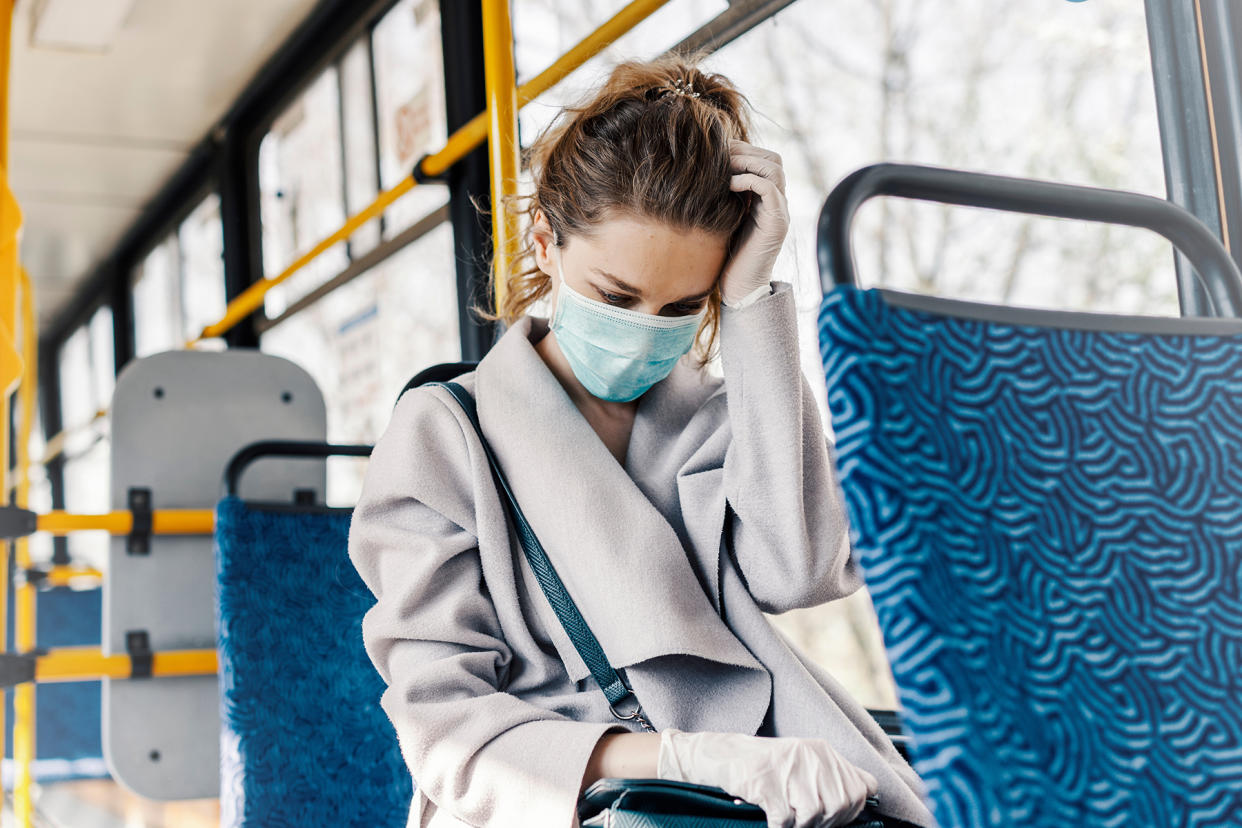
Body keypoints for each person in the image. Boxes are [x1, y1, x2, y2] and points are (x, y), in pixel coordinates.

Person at [347, 52, 934, 828]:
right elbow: (448, 734)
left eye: (681, 308)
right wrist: (689, 757)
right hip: (568, 803)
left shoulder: (724, 416)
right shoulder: (445, 438)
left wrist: (754, 301)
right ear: (546, 241)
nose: (642, 335)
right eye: (615, 296)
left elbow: (796, 573)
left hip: (762, 795)